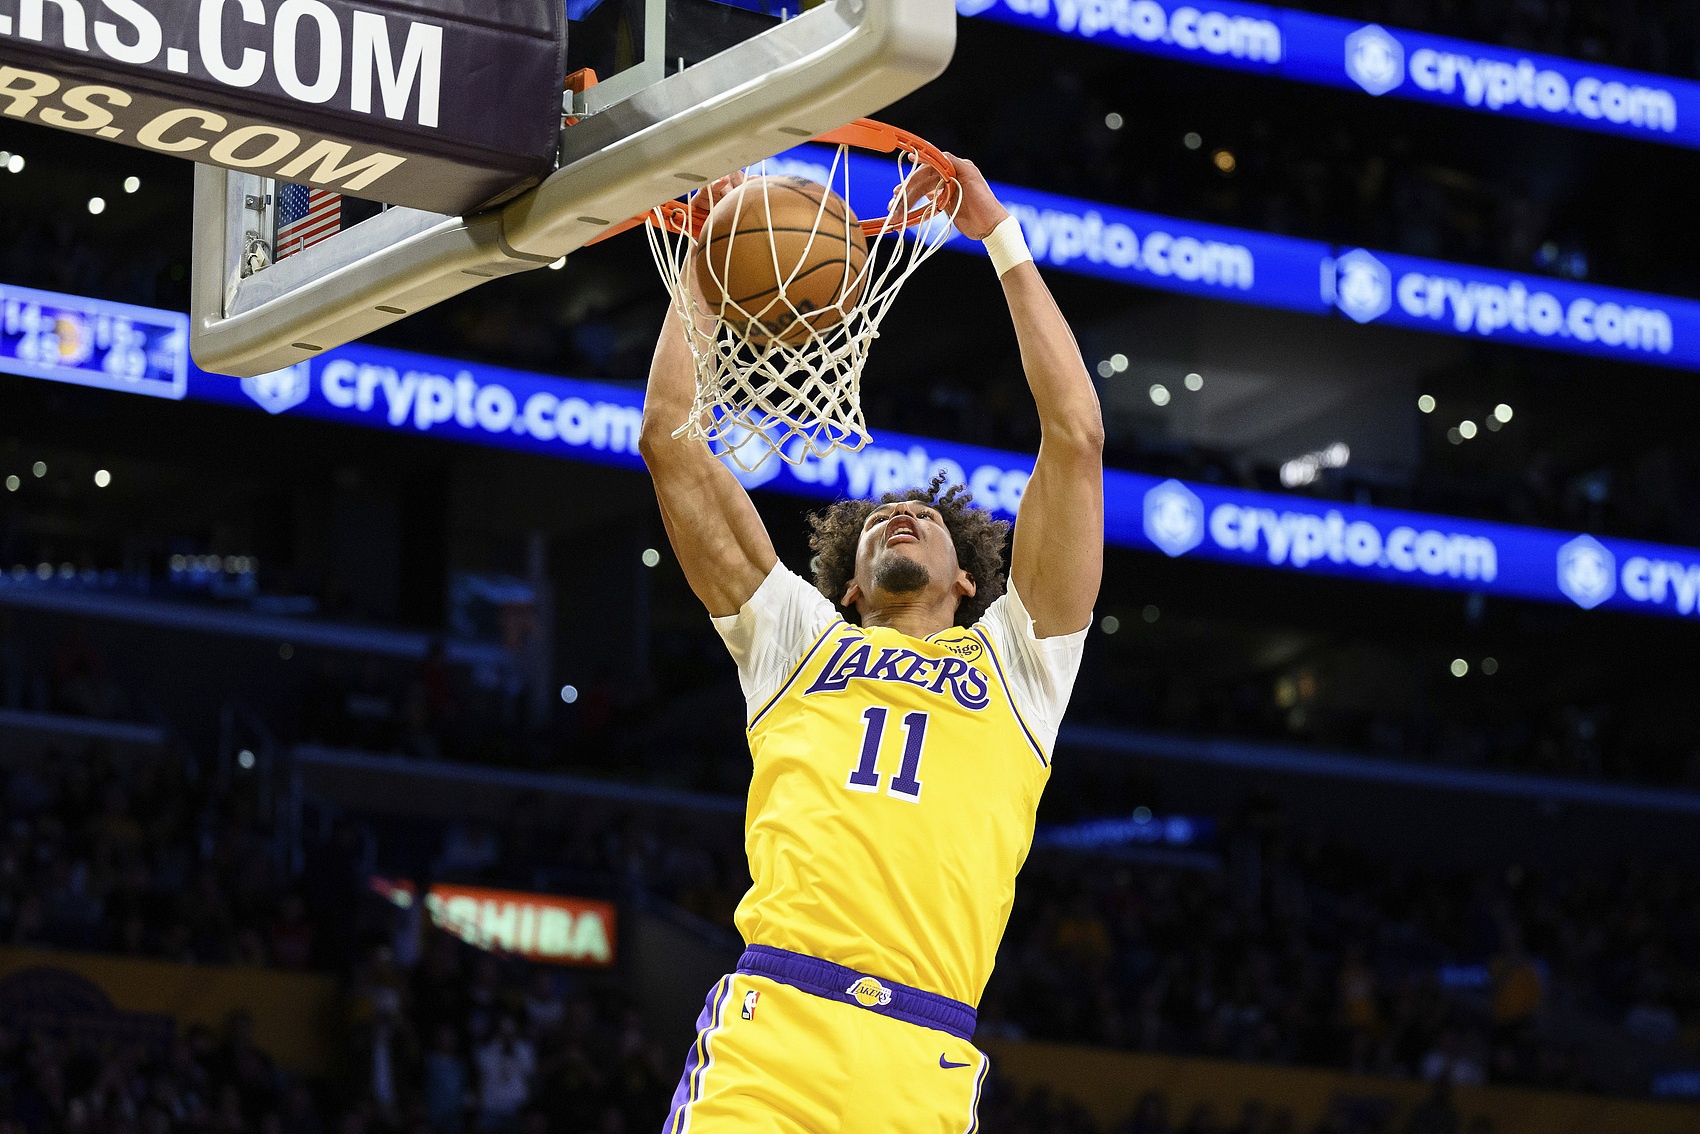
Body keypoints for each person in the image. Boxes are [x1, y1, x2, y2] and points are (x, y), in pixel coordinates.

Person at [640, 153, 1103, 1131]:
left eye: (924, 518)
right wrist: (705, 268)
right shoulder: (792, 641)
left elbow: (1074, 436)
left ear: (969, 579)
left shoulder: (1020, 662)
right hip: (775, 1028)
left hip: (920, 1057)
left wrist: (1000, 237)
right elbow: (670, 440)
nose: (902, 514)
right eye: (883, 519)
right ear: (846, 585)